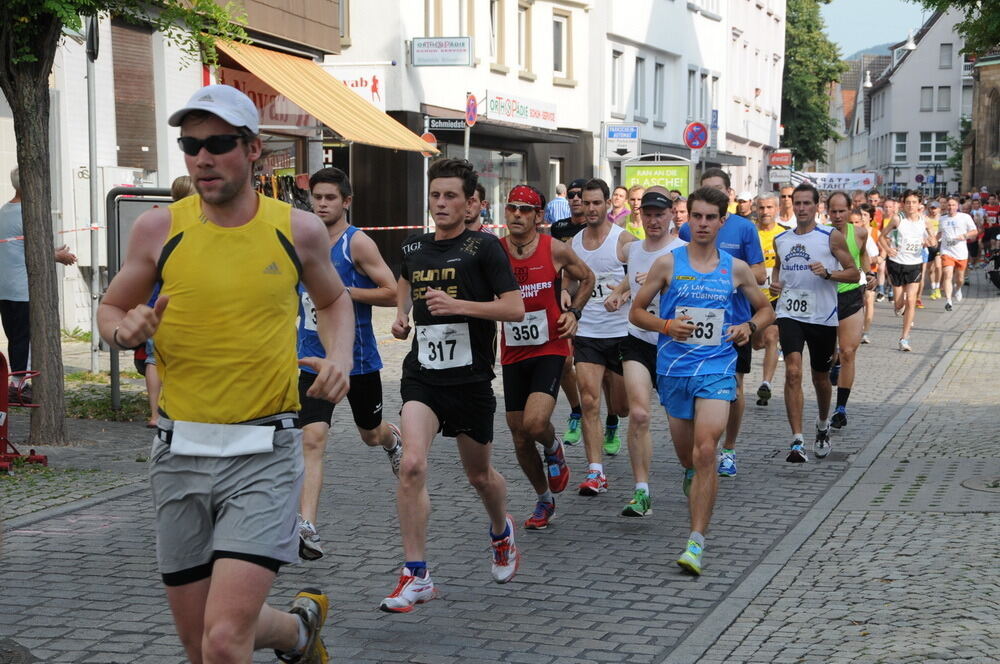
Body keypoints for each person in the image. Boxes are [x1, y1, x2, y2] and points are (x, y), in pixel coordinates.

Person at [97, 84, 352, 663]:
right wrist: (123, 332)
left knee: (223, 639)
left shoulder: (298, 229)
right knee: (199, 642)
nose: (202, 158)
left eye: (218, 144)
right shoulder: (158, 230)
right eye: (190, 145)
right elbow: (110, 310)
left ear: (254, 149)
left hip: (263, 452)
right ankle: (298, 632)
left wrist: (338, 358)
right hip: (179, 453)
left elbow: (336, 303)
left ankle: (290, 631)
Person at [385, 158, 524, 612]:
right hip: (422, 375)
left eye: (450, 196)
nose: (440, 204)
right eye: (435, 195)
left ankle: (501, 531)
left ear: (469, 204)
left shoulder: (484, 248)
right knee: (411, 464)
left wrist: (459, 305)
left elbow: (513, 309)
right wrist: (402, 315)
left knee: (479, 476)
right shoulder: (412, 247)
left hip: (470, 380)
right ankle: (416, 574)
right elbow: (404, 283)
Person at [630, 186, 774, 575]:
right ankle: (694, 478)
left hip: (717, 369)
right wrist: (665, 325)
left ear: (722, 221)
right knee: (687, 457)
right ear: (686, 218)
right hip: (675, 371)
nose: (703, 223)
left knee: (706, 450)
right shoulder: (668, 264)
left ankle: (695, 541)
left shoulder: (735, 268)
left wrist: (748, 325)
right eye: (697, 216)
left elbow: (765, 311)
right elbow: (636, 313)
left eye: (711, 217)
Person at [295, 167, 403, 562]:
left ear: (346, 202)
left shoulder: (357, 244)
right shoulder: (300, 240)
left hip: (357, 361)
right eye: (317, 197)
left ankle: (393, 437)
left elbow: (392, 292)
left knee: (369, 435)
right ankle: (306, 525)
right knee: (312, 438)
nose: (322, 204)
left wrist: (343, 292)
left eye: (330, 198)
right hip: (313, 358)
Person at [499, 184, 594, 529]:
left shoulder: (554, 248)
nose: (518, 215)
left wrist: (574, 312)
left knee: (535, 423)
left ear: (539, 216)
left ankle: (554, 446)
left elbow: (587, 278)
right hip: (512, 350)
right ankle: (544, 499)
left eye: (526, 210)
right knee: (519, 435)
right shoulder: (495, 252)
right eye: (512, 208)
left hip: (550, 346)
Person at [677, 168, 766, 478]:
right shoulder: (689, 230)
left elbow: (760, 274)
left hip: (734, 323)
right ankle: (699, 452)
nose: (704, 221)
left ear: (727, 198)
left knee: (735, 389)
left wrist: (727, 275)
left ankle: (728, 448)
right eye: (698, 213)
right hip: (690, 328)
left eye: (717, 192)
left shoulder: (743, 229)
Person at [604, 188, 685, 516]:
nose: (653, 220)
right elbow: (630, 276)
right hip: (638, 337)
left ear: (671, 216)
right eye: (648, 214)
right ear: (641, 216)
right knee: (638, 414)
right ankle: (642, 491)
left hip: (674, 343)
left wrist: (661, 284)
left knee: (680, 421)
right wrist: (621, 294)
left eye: (660, 214)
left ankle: (692, 468)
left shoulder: (684, 251)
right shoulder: (633, 249)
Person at [771, 183, 859, 462]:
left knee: (820, 377)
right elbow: (778, 269)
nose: (801, 208)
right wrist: (776, 284)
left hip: (822, 316)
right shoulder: (782, 239)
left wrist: (829, 273)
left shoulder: (830, 237)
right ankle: (797, 440)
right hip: (790, 313)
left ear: (816, 206)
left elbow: (854, 274)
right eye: (797, 203)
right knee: (793, 372)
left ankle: (822, 426)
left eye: (807, 203)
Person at [571, 178, 629, 495]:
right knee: (589, 400)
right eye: (586, 202)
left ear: (607, 204)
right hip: (588, 334)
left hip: (620, 335)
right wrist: (567, 303)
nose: (591, 208)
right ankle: (595, 472)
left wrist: (622, 291)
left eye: (597, 203)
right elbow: (568, 282)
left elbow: (642, 277)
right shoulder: (574, 244)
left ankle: (614, 420)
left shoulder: (624, 241)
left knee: (621, 406)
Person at [0, 167, 76, 404]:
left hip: (4, 287)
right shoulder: (28, 214)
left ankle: (16, 383)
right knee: (25, 338)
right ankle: (19, 386)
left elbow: (17, 248)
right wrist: (58, 256)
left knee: (15, 337)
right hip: (22, 288)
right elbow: (33, 252)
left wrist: (52, 252)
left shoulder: (4, 212)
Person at [139, 176, 198, 428]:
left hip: (155, 302)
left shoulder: (159, 224)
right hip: (184, 304)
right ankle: (182, 411)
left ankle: (155, 414)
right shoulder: (198, 225)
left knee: (154, 359)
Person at [825, 192, 874, 430]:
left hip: (851, 294)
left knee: (848, 352)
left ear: (849, 211)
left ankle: (841, 409)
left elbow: (863, 256)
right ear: (827, 212)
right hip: (825, 297)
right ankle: (832, 363)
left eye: (841, 211)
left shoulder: (861, 233)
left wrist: (870, 273)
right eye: (833, 211)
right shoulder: (821, 235)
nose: (837, 216)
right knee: (827, 355)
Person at [549, 178, 588, 444]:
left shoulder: (596, 227)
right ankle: (577, 411)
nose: (574, 199)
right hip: (563, 297)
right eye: (571, 195)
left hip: (593, 298)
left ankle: (609, 420)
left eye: (580, 196)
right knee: (564, 362)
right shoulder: (559, 227)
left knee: (600, 370)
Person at [879, 190, 936, 352]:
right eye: (908, 202)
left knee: (911, 300)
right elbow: (881, 237)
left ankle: (904, 338)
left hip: (915, 264)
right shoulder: (898, 219)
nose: (911, 205)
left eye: (914, 202)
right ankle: (899, 307)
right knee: (898, 303)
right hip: (897, 263)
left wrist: (931, 241)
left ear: (919, 204)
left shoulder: (925, 221)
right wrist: (888, 250)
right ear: (903, 204)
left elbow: (933, 239)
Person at [752, 191, 783, 406]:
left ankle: (766, 383)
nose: (765, 212)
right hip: (752, 297)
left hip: (776, 297)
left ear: (777, 209)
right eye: (761, 207)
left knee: (772, 336)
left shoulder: (784, 235)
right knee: (756, 343)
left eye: (769, 207)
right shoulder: (749, 233)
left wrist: (781, 282)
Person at [938, 196, 978, 311]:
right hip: (946, 251)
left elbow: (974, 231)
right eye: (949, 205)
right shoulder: (942, 219)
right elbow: (940, 234)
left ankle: (958, 289)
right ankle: (948, 300)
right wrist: (933, 240)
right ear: (946, 206)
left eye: (953, 205)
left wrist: (964, 236)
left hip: (961, 252)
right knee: (947, 274)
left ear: (957, 206)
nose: (951, 207)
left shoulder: (965, 217)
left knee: (960, 278)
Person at [925, 201, 943, 301]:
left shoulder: (942, 218)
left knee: (938, 266)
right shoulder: (926, 219)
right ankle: (933, 287)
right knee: (930, 269)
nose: (933, 210)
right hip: (928, 245)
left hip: (939, 245)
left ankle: (937, 288)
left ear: (939, 209)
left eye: (935, 208)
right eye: (931, 208)